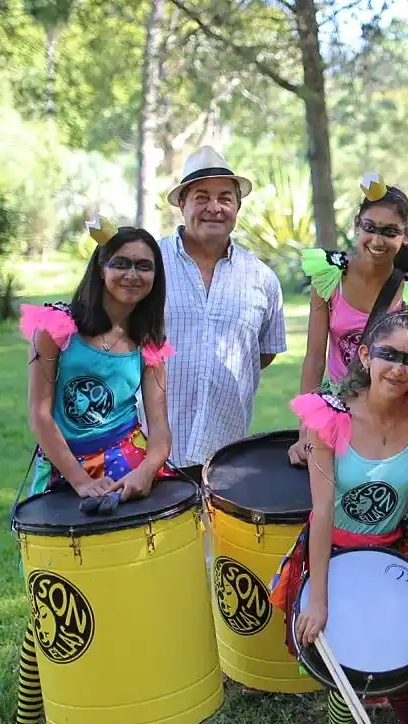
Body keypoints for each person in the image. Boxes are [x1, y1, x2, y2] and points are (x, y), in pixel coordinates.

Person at [0, 220, 175, 724]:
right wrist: (78, 480)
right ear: (100, 267)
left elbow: (161, 429)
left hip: (128, 468)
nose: (133, 275)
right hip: (63, 472)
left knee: (131, 602)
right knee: (53, 607)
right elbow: (41, 415)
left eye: (145, 266)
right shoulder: (57, 329)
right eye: (122, 263)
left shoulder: (148, 342)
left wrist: (145, 471)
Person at [267, 311, 408, 724]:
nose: (399, 368)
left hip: (393, 549)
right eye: (388, 354)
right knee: (350, 646)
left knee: (404, 635)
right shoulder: (332, 417)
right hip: (336, 550)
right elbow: (321, 510)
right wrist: (318, 597)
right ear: (365, 355)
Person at [287, 172, 408, 465]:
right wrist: (306, 429)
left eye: (389, 231)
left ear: (407, 235)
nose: (377, 240)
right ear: (356, 226)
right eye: (369, 227)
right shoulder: (329, 277)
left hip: (392, 410)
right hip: (341, 406)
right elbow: (313, 358)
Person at [160, 146, 287, 481]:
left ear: (237, 207)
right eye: (201, 197)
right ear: (181, 204)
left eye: (225, 198)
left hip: (227, 454)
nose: (214, 208)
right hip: (150, 451)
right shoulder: (149, 265)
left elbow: (263, 353)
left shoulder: (262, 278)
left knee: (220, 534)